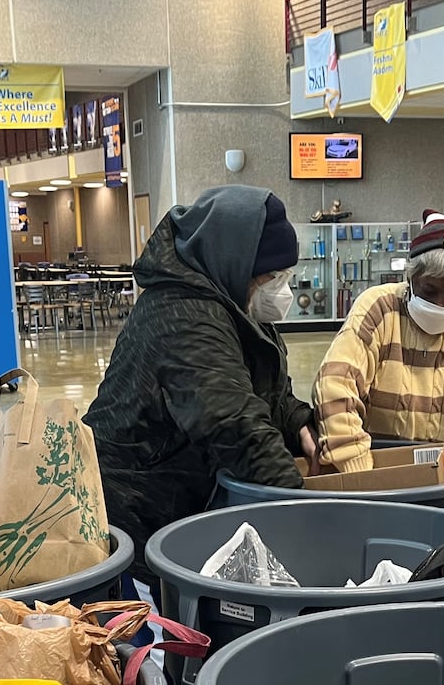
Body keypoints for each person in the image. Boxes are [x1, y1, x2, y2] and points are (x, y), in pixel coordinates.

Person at [84, 185, 314, 580]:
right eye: (273, 276)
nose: (283, 287)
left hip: (185, 496)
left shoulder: (234, 303)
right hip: (136, 510)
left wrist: (298, 424)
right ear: (236, 264)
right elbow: (234, 423)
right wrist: (310, 517)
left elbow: (269, 393)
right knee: (156, 627)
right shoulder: (183, 315)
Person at [312, 211, 444, 474]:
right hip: (375, 459)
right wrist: (357, 468)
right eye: (429, 291)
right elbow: (335, 385)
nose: (439, 305)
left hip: (443, 465)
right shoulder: (379, 307)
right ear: (411, 278)